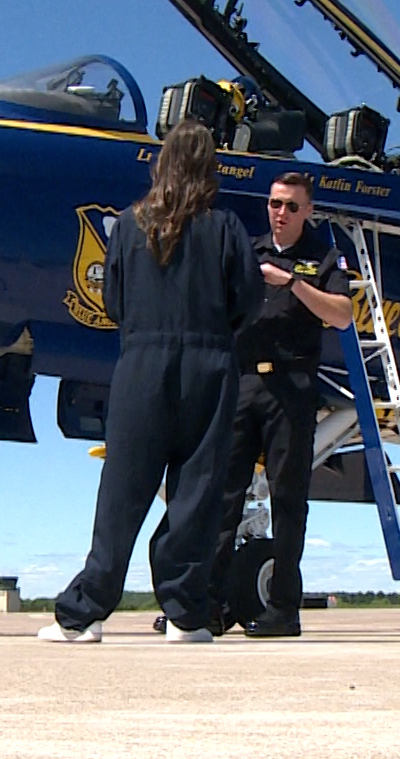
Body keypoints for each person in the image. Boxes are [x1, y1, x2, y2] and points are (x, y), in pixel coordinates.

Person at [40, 119, 261, 644]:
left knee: (123, 487)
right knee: (197, 488)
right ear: (208, 168)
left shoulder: (129, 225)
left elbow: (112, 302)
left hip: (141, 362)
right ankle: (185, 613)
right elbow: (249, 302)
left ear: (161, 164)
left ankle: (86, 611)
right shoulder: (226, 227)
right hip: (208, 361)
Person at [210, 172, 354, 638]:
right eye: (275, 203)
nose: (282, 213)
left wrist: (291, 282)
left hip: (291, 387)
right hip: (243, 381)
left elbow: (342, 316)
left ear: (308, 211)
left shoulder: (324, 258)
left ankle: (283, 609)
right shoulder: (247, 252)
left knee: (288, 498)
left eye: (293, 206)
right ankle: (211, 604)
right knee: (223, 496)